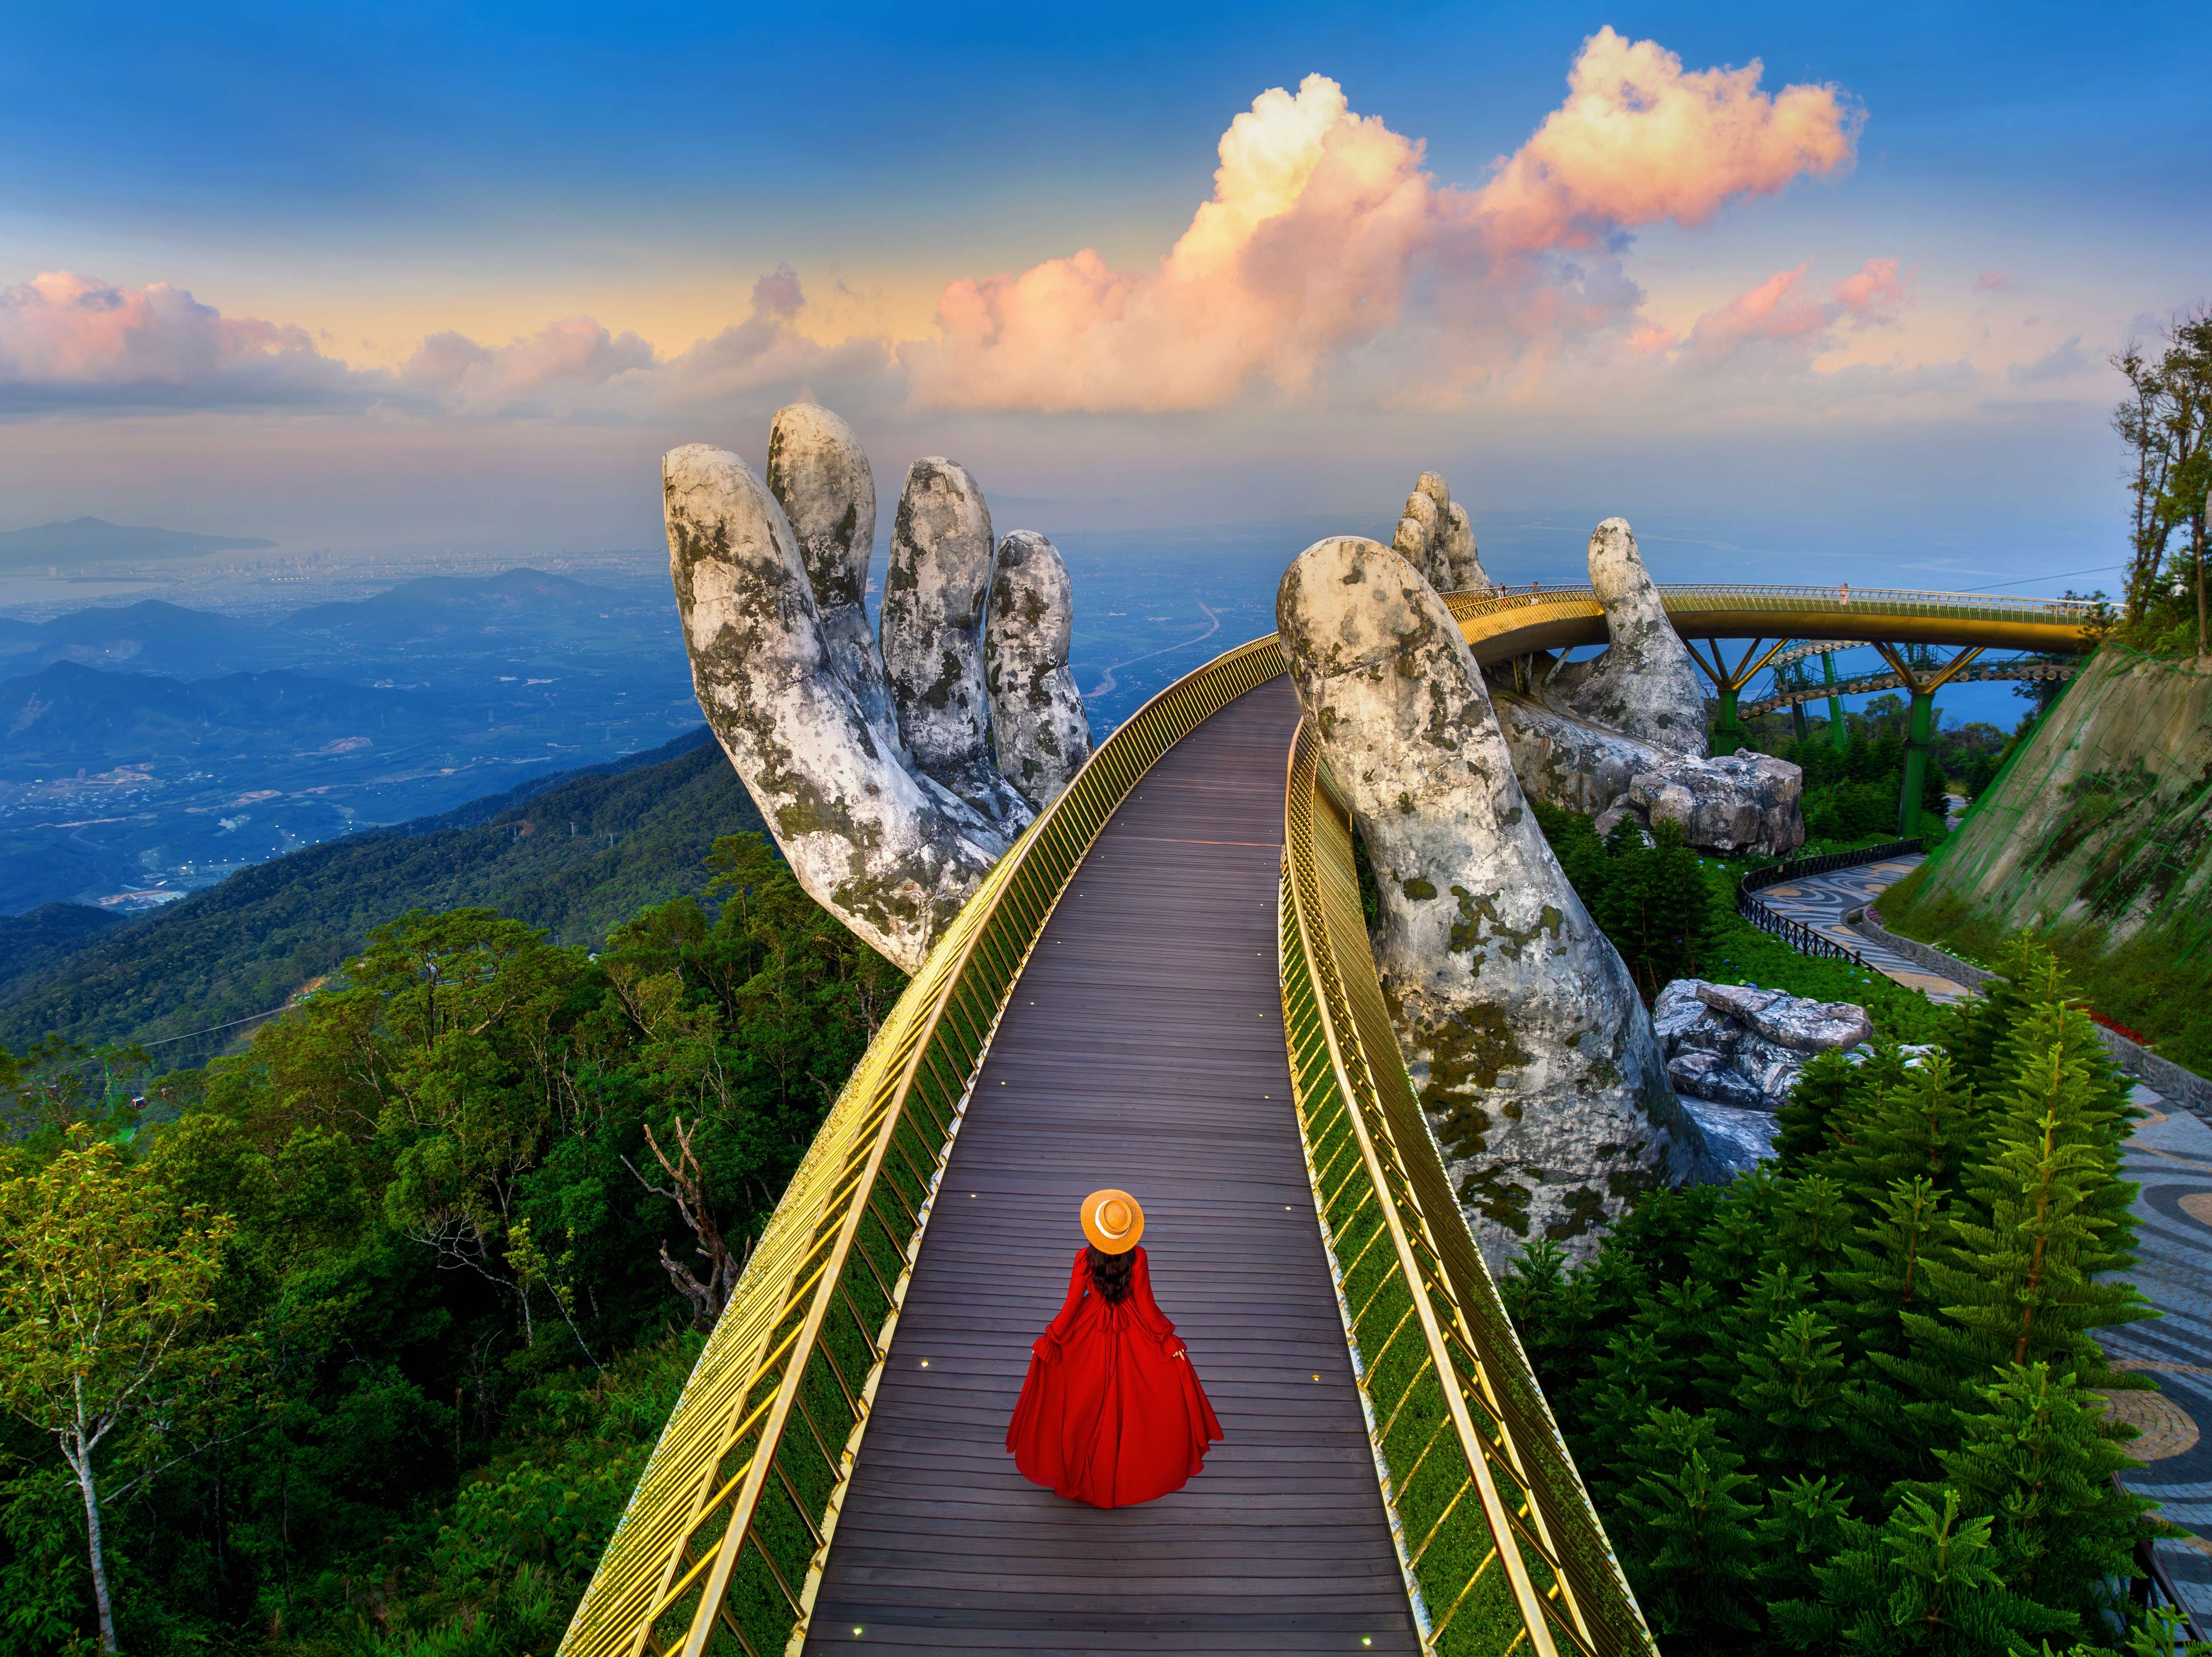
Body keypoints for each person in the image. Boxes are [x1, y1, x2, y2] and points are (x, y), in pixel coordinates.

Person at [1006, 1188, 1223, 1508]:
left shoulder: (1084, 1257)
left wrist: (1051, 1338)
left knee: (1082, 1402)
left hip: (1088, 1329)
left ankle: (1079, 1470)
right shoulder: (1139, 1257)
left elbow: (1070, 1306)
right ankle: (1120, 1479)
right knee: (1128, 1404)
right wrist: (1166, 1339)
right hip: (1131, 1328)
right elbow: (1147, 1307)